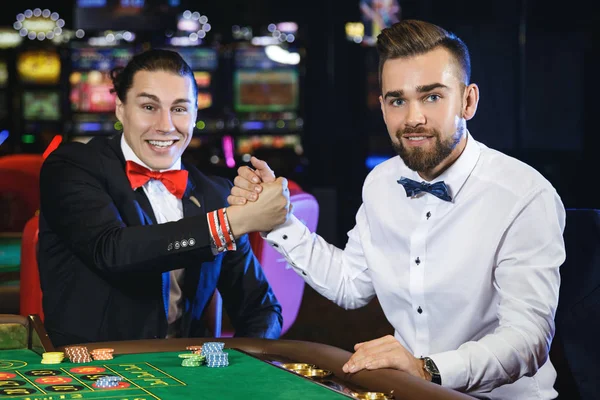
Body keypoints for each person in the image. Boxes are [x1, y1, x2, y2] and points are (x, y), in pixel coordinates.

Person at [228, 20, 565, 398]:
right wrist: (278, 221)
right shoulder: (381, 182)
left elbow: (528, 339)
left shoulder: (523, 193)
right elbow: (351, 284)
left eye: (432, 97)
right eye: (397, 100)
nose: (413, 118)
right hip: (408, 391)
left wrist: (428, 369)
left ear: (468, 101)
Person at [38, 49, 291, 347]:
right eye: (149, 106)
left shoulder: (214, 193)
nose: (165, 125)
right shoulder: (72, 167)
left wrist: (237, 369)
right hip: (93, 374)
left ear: (196, 114)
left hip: (188, 378)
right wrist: (229, 223)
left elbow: (261, 308)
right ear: (121, 108)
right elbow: (113, 251)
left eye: (180, 109)